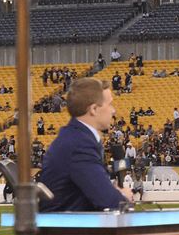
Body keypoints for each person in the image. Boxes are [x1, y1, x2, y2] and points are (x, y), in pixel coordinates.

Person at [38, 78, 132, 211]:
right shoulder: (79, 145)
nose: (113, 110)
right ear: (93, 109)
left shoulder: (75, 137)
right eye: (109, 104)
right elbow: (110, 202)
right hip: (67, 229)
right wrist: (123, 196)